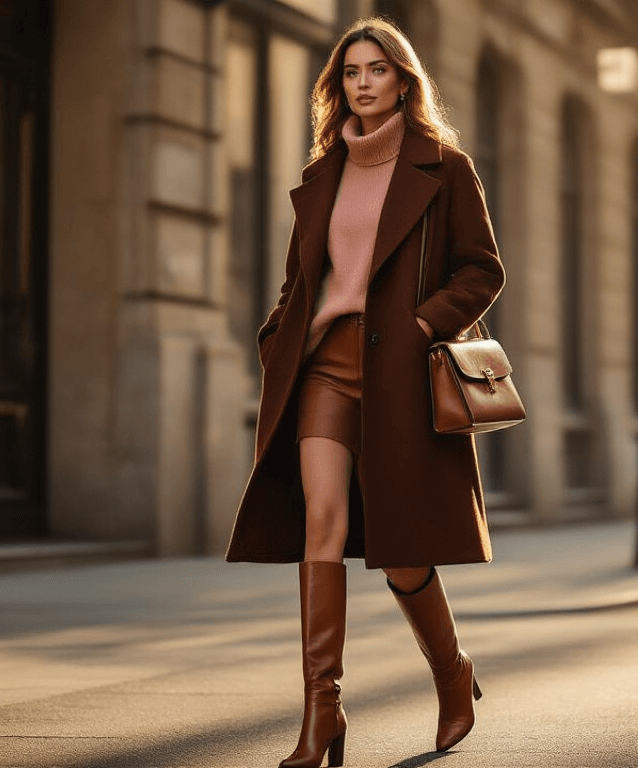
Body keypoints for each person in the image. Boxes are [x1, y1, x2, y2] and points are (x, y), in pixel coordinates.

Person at [225, 18, 504, 768]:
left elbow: (482, 271)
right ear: (337, 85)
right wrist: (278, 338)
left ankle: (452, 671)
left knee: (401, 548)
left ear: (404, 80)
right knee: (321, 523)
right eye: (350, 72)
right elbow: (300, 282)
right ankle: (323, 716)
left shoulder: (445, 169)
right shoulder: (323, 175)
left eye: (377, 69)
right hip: (324, 367)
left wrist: (421, 326)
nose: (363, 82)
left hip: (400, 374)